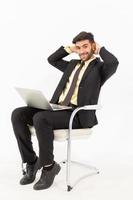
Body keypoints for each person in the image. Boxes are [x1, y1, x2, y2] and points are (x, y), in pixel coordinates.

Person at [11, 31, 119, 190]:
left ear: (93, 46)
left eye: (85, 46)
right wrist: (71, 49)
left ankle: (49, 168)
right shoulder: (72, 65)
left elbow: (114, 63)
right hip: (59, 109)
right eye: (79, 47)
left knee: (41, 118)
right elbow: (52, 59)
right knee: (18, 114)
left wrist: (100, 49)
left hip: (78, 115)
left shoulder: (100, 69)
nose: (82, 51)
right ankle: (32, 162)